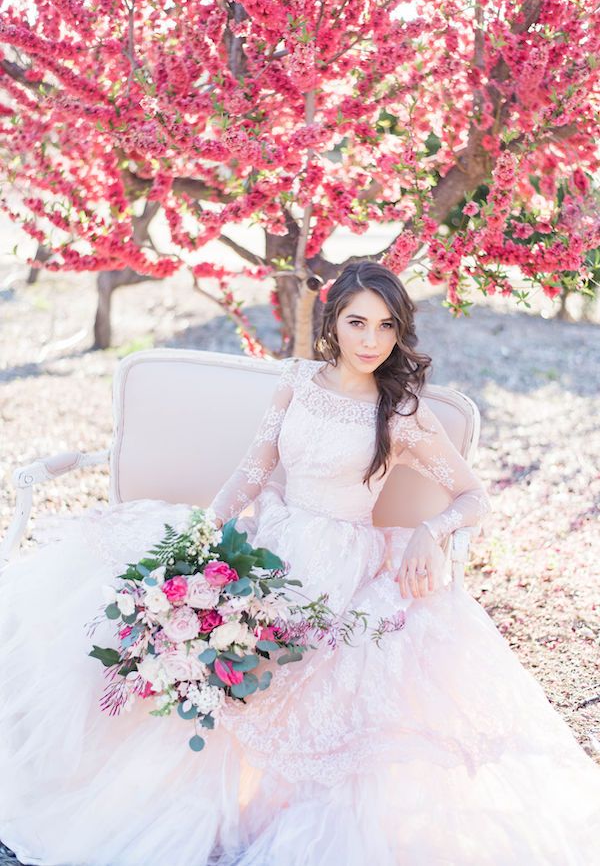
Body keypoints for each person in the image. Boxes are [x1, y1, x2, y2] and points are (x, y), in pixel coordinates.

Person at [0, 261, 599, 866]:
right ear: (332, 323)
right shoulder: (296, 380)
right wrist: (211, 533)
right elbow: (256, 468)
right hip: (276, 536)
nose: (371, 340)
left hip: (344, 561)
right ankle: (170, 794)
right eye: (357, 322)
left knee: (301, 671)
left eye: (386, 326)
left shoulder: (402, 412)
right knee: (166, 613)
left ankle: (265, 804)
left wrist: (430, 532)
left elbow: (474, 497)